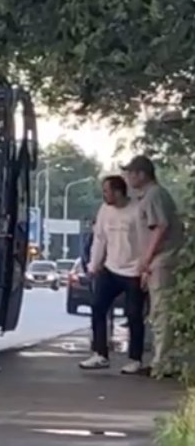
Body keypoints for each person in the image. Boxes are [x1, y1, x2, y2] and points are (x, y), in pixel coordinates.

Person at [123, 155, 185, 375]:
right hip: (158, 261)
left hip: (162, 260)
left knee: (161, 312)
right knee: (157, 311)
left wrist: (146, 260)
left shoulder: (154, 195)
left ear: (141, 174)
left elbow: (160, 227)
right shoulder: (149, 196)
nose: (127, 177)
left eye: (130, 173)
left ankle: (163, 362)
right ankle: (161, 358)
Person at [79, 176, 147, 374]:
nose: (104, 195)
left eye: (107, 191)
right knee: (98, 307)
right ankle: (100, 354)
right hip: (110, 268)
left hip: (134, 270)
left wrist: (145, 269)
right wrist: (94, 265)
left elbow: (145, 241)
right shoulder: (105, 210)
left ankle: (135, 359)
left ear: (118, 192)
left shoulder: (137, 210)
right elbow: (100, 239)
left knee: (134, 315)